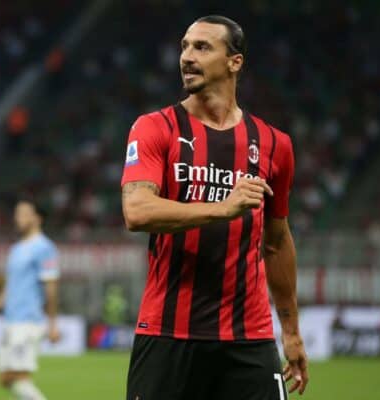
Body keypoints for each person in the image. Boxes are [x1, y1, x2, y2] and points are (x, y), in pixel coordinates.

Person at [121, 15, 309, 400]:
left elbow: (276, 242)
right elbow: (137, 211)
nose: (187, 57)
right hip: (168, 333)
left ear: (234, 62)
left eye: (202, 47)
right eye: (185, 47)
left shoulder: (275, 145)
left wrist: (290, 332)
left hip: (248, 337)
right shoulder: (155, 128)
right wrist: (222, 208)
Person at [0, 199, 60, 400]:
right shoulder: (16, 249)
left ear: (37, 218)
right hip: (11, 321)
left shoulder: (44, 248)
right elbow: (10, 289)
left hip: (27, 321)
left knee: (18, 377)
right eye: (17, 213)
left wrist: (52, 324)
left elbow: (51, 288)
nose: (18, 218)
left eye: (23, 213)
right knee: (5, 379)